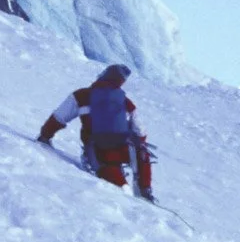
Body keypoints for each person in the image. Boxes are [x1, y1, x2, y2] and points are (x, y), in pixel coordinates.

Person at [38, 63, 154, 200]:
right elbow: (140, 131)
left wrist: (45, 135)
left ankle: (123, 187)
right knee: (141, 151)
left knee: (118, 186)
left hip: (98, 151)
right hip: (122, 148)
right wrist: (137, 142)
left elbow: (59, 117)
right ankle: (145, 189)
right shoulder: (126, 102)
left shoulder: (81, 95)